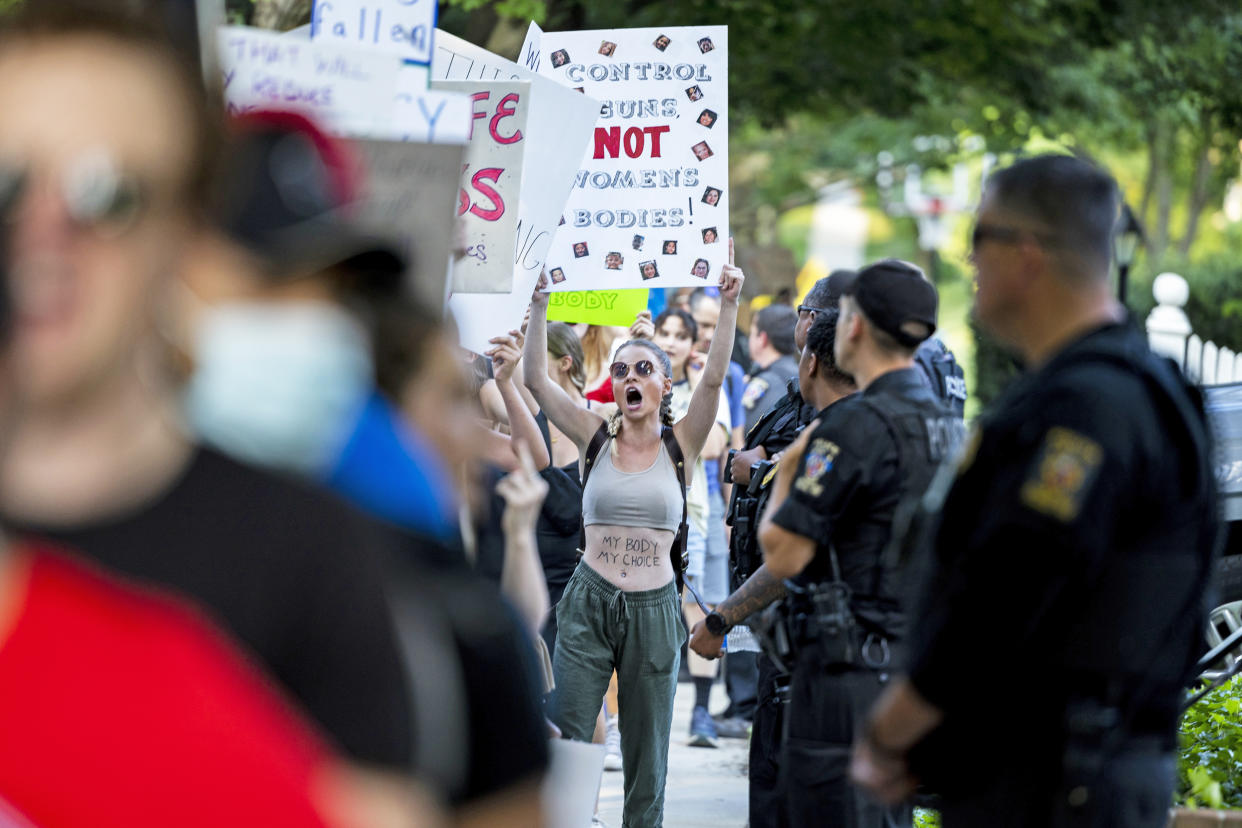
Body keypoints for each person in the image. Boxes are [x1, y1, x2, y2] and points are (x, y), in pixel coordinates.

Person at [0, 4, 415, 771]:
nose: (43, 233)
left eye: (107, 193)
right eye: (7, 183)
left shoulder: (315, 565)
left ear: (183, 240)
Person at [852, 156, 1219, 828]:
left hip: (1058, 786)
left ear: (1025, 254)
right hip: (1061, 775)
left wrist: (898, 721)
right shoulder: (1112, 390)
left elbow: (1011, 584)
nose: (970, 260)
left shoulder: (1088, 406)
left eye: (979, 238)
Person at [715, 260, 960, 827]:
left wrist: (791, 467)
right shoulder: (946, 423)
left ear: (852, 327)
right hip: (903, 667)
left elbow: (784, 552)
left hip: (844, 677)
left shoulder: (856, 425)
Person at [525, 242, 744, 828]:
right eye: (621, 369)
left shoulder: (683, 443)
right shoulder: (594, 435)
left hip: (653, 609)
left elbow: (716, 375)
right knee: (570, 734)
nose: (629, 377)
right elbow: (536, 383)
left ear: (665, 385)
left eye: (644, 369)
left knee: (647, 753)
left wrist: (728, 306)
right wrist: (541, 306)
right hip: (588, 600)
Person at [690, 291, 852, 827]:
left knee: (789, 787)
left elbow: (789, 547)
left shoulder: (843, 428)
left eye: (808, 312)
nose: (800, 321)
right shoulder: (804, 400)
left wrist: (720, 618)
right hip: (790, 639)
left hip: (813, 643)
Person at [651, 307, 733, 748]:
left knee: (696, 611)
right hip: (643, 514)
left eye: (680, 335)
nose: (670, 342)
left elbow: (717, 444)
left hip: (691, 514)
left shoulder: (704, 386)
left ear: (691, 342)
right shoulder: (634, 378)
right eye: (663, 333)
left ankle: (701, 711)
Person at [742, 304, 800, 433]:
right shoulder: (800, 375)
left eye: (752, 333)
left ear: (762, 339)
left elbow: (744, 432)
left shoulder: (764, 383)